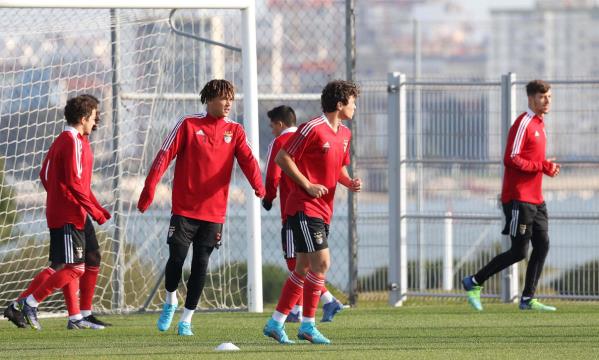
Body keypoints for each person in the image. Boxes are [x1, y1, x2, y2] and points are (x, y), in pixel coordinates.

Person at [137, 79, 265, 336]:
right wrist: (149, 188)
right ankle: (171, 298)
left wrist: (259, 187)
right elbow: (164, 155)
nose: (228, 103)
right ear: (209, 99)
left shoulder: (236, 131)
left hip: (214, 212)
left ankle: (187, 319)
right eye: (223, 98)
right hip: (184, 209)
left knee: (201, 264)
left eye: (231, 98)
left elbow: (249, 160)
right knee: (176, 258)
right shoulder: (188, 124)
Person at [263, 80, 361, 345]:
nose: (355, 106)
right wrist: (306, 184)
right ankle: (307, 325)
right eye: (353, 101)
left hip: (324, 209)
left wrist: (349, 182)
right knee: (322, 263)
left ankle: (275, 323)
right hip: (303, 207)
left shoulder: (345, 134)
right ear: (340, 104)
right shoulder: (311, 128)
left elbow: (339, 167)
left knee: (304, 267)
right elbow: (282, 158)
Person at [3, 94, 110, 330]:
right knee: (70, 266)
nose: (97, 121)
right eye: (94, 117)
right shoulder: (70, 141)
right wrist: (86, 207)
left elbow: (48, 175)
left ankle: (77, 316)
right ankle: (27, 303)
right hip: (70, 213)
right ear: (83, 118)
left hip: (75, 210)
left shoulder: (74, 139)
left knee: (79, 261)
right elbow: (72, 182)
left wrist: (93, 207)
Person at [462, 80, 559, 312]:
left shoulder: (540, 124)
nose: (547, 101)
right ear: (530, 99)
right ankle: (473, 281)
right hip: (518, 198)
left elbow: (532, 161)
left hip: (536, 199)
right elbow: (511, 158)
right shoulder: (522, 123)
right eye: (542, 97)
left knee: (543, 244)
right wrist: (541, 166)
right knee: (519, 251)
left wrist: (545, 167)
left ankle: (527, 299)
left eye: (549, 97)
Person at [262, 105, 343, 324]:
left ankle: (305, 311)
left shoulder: (280, 143)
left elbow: (272, 175)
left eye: (272, 126)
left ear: (279, 124)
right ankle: (311, 310)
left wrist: (268, 198)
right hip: (319, 207)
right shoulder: (312, 135)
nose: (272, 131)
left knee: (297, 263)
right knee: (306, 263)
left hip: (295, 210)